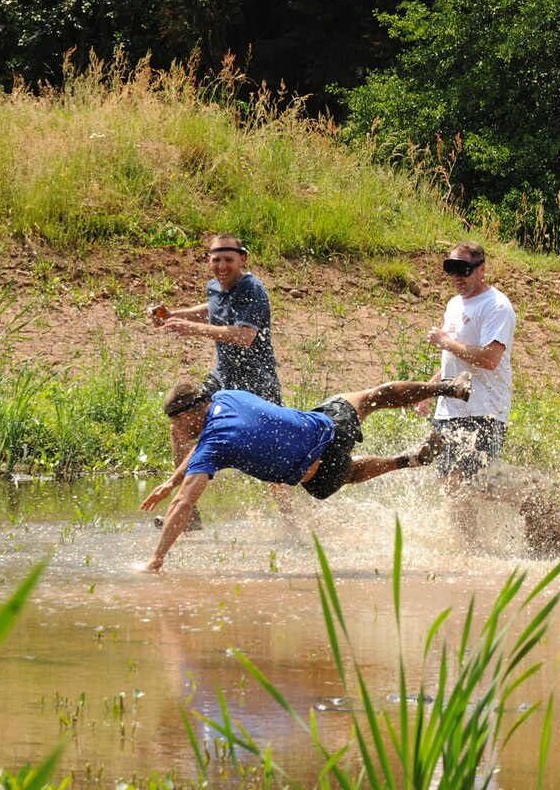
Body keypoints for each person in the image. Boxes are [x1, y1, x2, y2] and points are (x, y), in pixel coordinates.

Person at [140, 375, 470, 572]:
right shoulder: (224, 397)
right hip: (329, 426)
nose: (175, 429)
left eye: (175, 422)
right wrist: (170, 480)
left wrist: (156, 558)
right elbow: (197, 454)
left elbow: (184, 504)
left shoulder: (213, 445)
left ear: (187, 415)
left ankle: (405, 461)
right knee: (372, 397)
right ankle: (449, 388)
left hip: (316, 473)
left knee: (350, 472)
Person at [146, 235, 283, 528]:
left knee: (273, 461)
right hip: (222, 378)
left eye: (228, 260)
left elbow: (245, 337)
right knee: (179, 424)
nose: (222, 266)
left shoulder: (252, 289)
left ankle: (295, 527)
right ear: (209, 259)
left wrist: (192, 328)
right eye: (216, 259)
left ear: (242, 259)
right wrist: (174, 315)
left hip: (257, 384)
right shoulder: (214, 286)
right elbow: (212, 306)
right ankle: (190, 515)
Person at [421, 242, 518, 488]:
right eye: (450, 268)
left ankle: (524, 496)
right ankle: (463, 528)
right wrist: (429, 391)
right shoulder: (454, 304)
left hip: (483, 411)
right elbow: (456, 360)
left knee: (466, 484)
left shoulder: (496, 305)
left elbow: (490, 359)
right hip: (449, 410)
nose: (455, 276)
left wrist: (445, 341)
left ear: (481, 270)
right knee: (448, 486)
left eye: (462, 269)